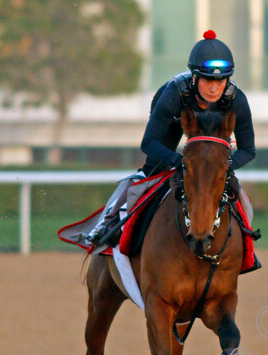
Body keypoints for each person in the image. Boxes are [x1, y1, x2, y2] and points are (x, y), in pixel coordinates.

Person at [86, 30, 257, 247]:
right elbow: (148, 143)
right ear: (194, 77)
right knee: (151, 171)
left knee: (232, 186)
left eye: (221, 81)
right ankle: (106, 223)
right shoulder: (174, 94)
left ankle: (247, 235)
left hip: (214, 145)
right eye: (207, 80)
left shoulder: (237, 100)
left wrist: (225, 165)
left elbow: (248, 150)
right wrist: (178, 161)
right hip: (175, 124)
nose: (214, 89)